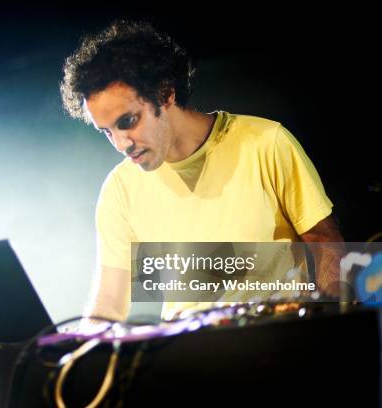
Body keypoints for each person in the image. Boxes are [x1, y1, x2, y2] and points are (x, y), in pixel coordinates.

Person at [60, 20, 344, 322]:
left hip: (278, 345)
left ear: (166, 94)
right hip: (188, 358)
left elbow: (325, 244)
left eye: (127, 121)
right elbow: (109, 304)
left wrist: (333, 328)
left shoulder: (265, 142)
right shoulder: (120, 188)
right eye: (107, 131)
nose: (120, 143)